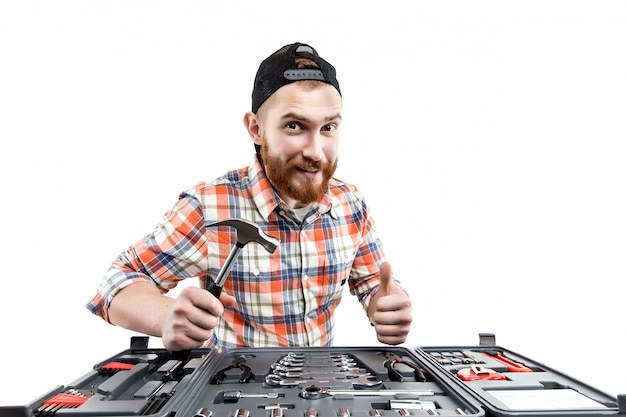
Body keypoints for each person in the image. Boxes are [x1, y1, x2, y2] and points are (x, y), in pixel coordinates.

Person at [86, 42, 412, 351]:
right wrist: (166, 316)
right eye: (295, 126)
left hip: (319, 393)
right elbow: (116, 286)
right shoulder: (209, 206)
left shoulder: (351, 204)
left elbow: (376, 283)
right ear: (256, 128)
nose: (316, 151)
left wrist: (385, 306)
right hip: (233, 395)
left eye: (328, 127)